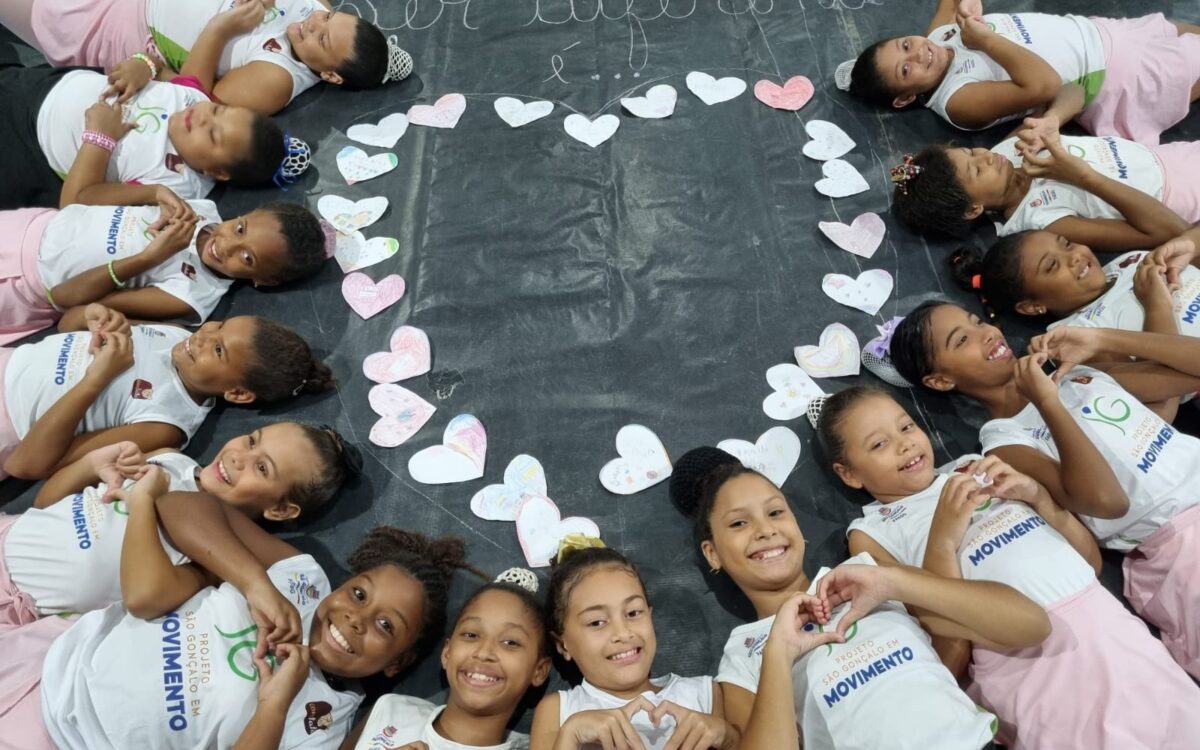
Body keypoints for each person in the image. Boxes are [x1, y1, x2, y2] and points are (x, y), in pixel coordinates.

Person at [816, 386, 1200, 748]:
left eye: (906, 426)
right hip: (1028, 668)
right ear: (849, 473)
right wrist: (943, 538)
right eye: (880, 444)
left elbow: (1090, 563)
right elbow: (940, 647)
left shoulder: (974, 467)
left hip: (1113, 632)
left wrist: (1039, 499)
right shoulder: (871, 532)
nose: (904, 443)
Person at [0, 468, 479, 750]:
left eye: (384, 625)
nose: (356, 617)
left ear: (395, 663)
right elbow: (182, 507)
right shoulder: (300, 579)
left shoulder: (325, 723)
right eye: (358, 593)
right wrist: (254, 583)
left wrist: (273, 705)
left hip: (60, 738)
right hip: (46, 657)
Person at [668, 447, 1051, 750]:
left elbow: (1032, 624)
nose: (765, 530)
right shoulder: (743, 654)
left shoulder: (870, 572)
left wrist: (892, 582)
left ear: (798, 528)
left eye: (775, 512)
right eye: (738, 523)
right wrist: (780, 651)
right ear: (712, 553)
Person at [890, 305, 1200, 678]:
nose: (985, 333)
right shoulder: (1003, 441)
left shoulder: (1079, 375)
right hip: (1180, 551)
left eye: (977, 321)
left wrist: (1100, 338)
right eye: (962, 339)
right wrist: (1047, 401)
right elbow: (1107, 502)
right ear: (940, 380)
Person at [0, 423, 359, 624]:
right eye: (251, 440)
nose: (237, 457)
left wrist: (143, 503)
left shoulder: (215, 557)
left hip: (20, 613)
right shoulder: (168, 460)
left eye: (262, 468)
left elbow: (146, 600)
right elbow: (45, 503)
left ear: (280, 510)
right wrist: (92, 463)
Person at [0, 304, 332, 480]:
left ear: (238, 393)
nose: (202, 336)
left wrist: (95, 381)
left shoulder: (165, 424)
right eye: (218, 326)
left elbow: (28, 465)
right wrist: (94, 315)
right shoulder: (174, 334)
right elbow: (67, 323)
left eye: (218, 351)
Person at [844, 0, 1200, 141]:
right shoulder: (958, 100)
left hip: (1099, 31)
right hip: (1114, 75)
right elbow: (1044, 85)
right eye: (906, 70)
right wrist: (985, 41)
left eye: (906, 45)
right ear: (906, 97)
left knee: (1181, 29)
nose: (919, 54)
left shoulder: (938, 36)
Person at [0, 200, 331, 345]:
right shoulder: (199, 209)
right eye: (240, 228)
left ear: (264, 280)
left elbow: (69, 302)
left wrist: (149, 258)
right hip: (25, 226)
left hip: (23, 287)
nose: (226, 245)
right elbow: (84, 199)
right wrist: (153, 191)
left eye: (246, 257)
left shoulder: (192, 296)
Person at [0, 0, 412, 115]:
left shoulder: (276, 80)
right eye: (329, 16)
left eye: (322, 39)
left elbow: (191, 98)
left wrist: (222, 29)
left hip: (114, 23)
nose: (313, 22)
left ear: (330, 75)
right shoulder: (316, 11)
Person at [0, 65, 300, 210]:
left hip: (25, 151)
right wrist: (144, 66)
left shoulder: (173, 185)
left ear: (216, 172)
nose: (203, 116)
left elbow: (76, 203)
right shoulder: (192, 98)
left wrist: (99, 138)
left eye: (212, 135)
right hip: (35, 86)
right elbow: (158, 64)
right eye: (219, 110)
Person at [529, 538, 735, 750]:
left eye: (633, 613)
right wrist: (571, 734)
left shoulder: (702, 695)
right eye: (597, 622)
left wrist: (728, 738)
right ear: (562, 645)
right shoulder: (561, 711)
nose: (623, 632)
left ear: (650, 615)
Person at [889, 126, 1196, 252]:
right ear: (973, 209)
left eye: (971, 152)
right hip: (1180, 199)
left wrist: (1054, 116)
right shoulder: (1040, 222)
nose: (985, 155)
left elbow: (1072, 89)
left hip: (1172, 155)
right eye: (977, 169)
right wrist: (1084, 177)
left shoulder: (1010, 149)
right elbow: (1168, 233)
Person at [344, 568, 551, 750]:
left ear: (539, 670)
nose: (484, 652)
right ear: (447, 653)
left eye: (510, 643)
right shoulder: (392, 709)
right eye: (471, 635)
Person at [946, 230, 1200, 338]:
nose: (1075, 256)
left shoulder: (1127, 262)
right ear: (1032, 306)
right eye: (1052, 265)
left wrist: (1188, 244)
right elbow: (1164, 383)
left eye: (1066, 244)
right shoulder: (1077, 334)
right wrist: (1156, 305)